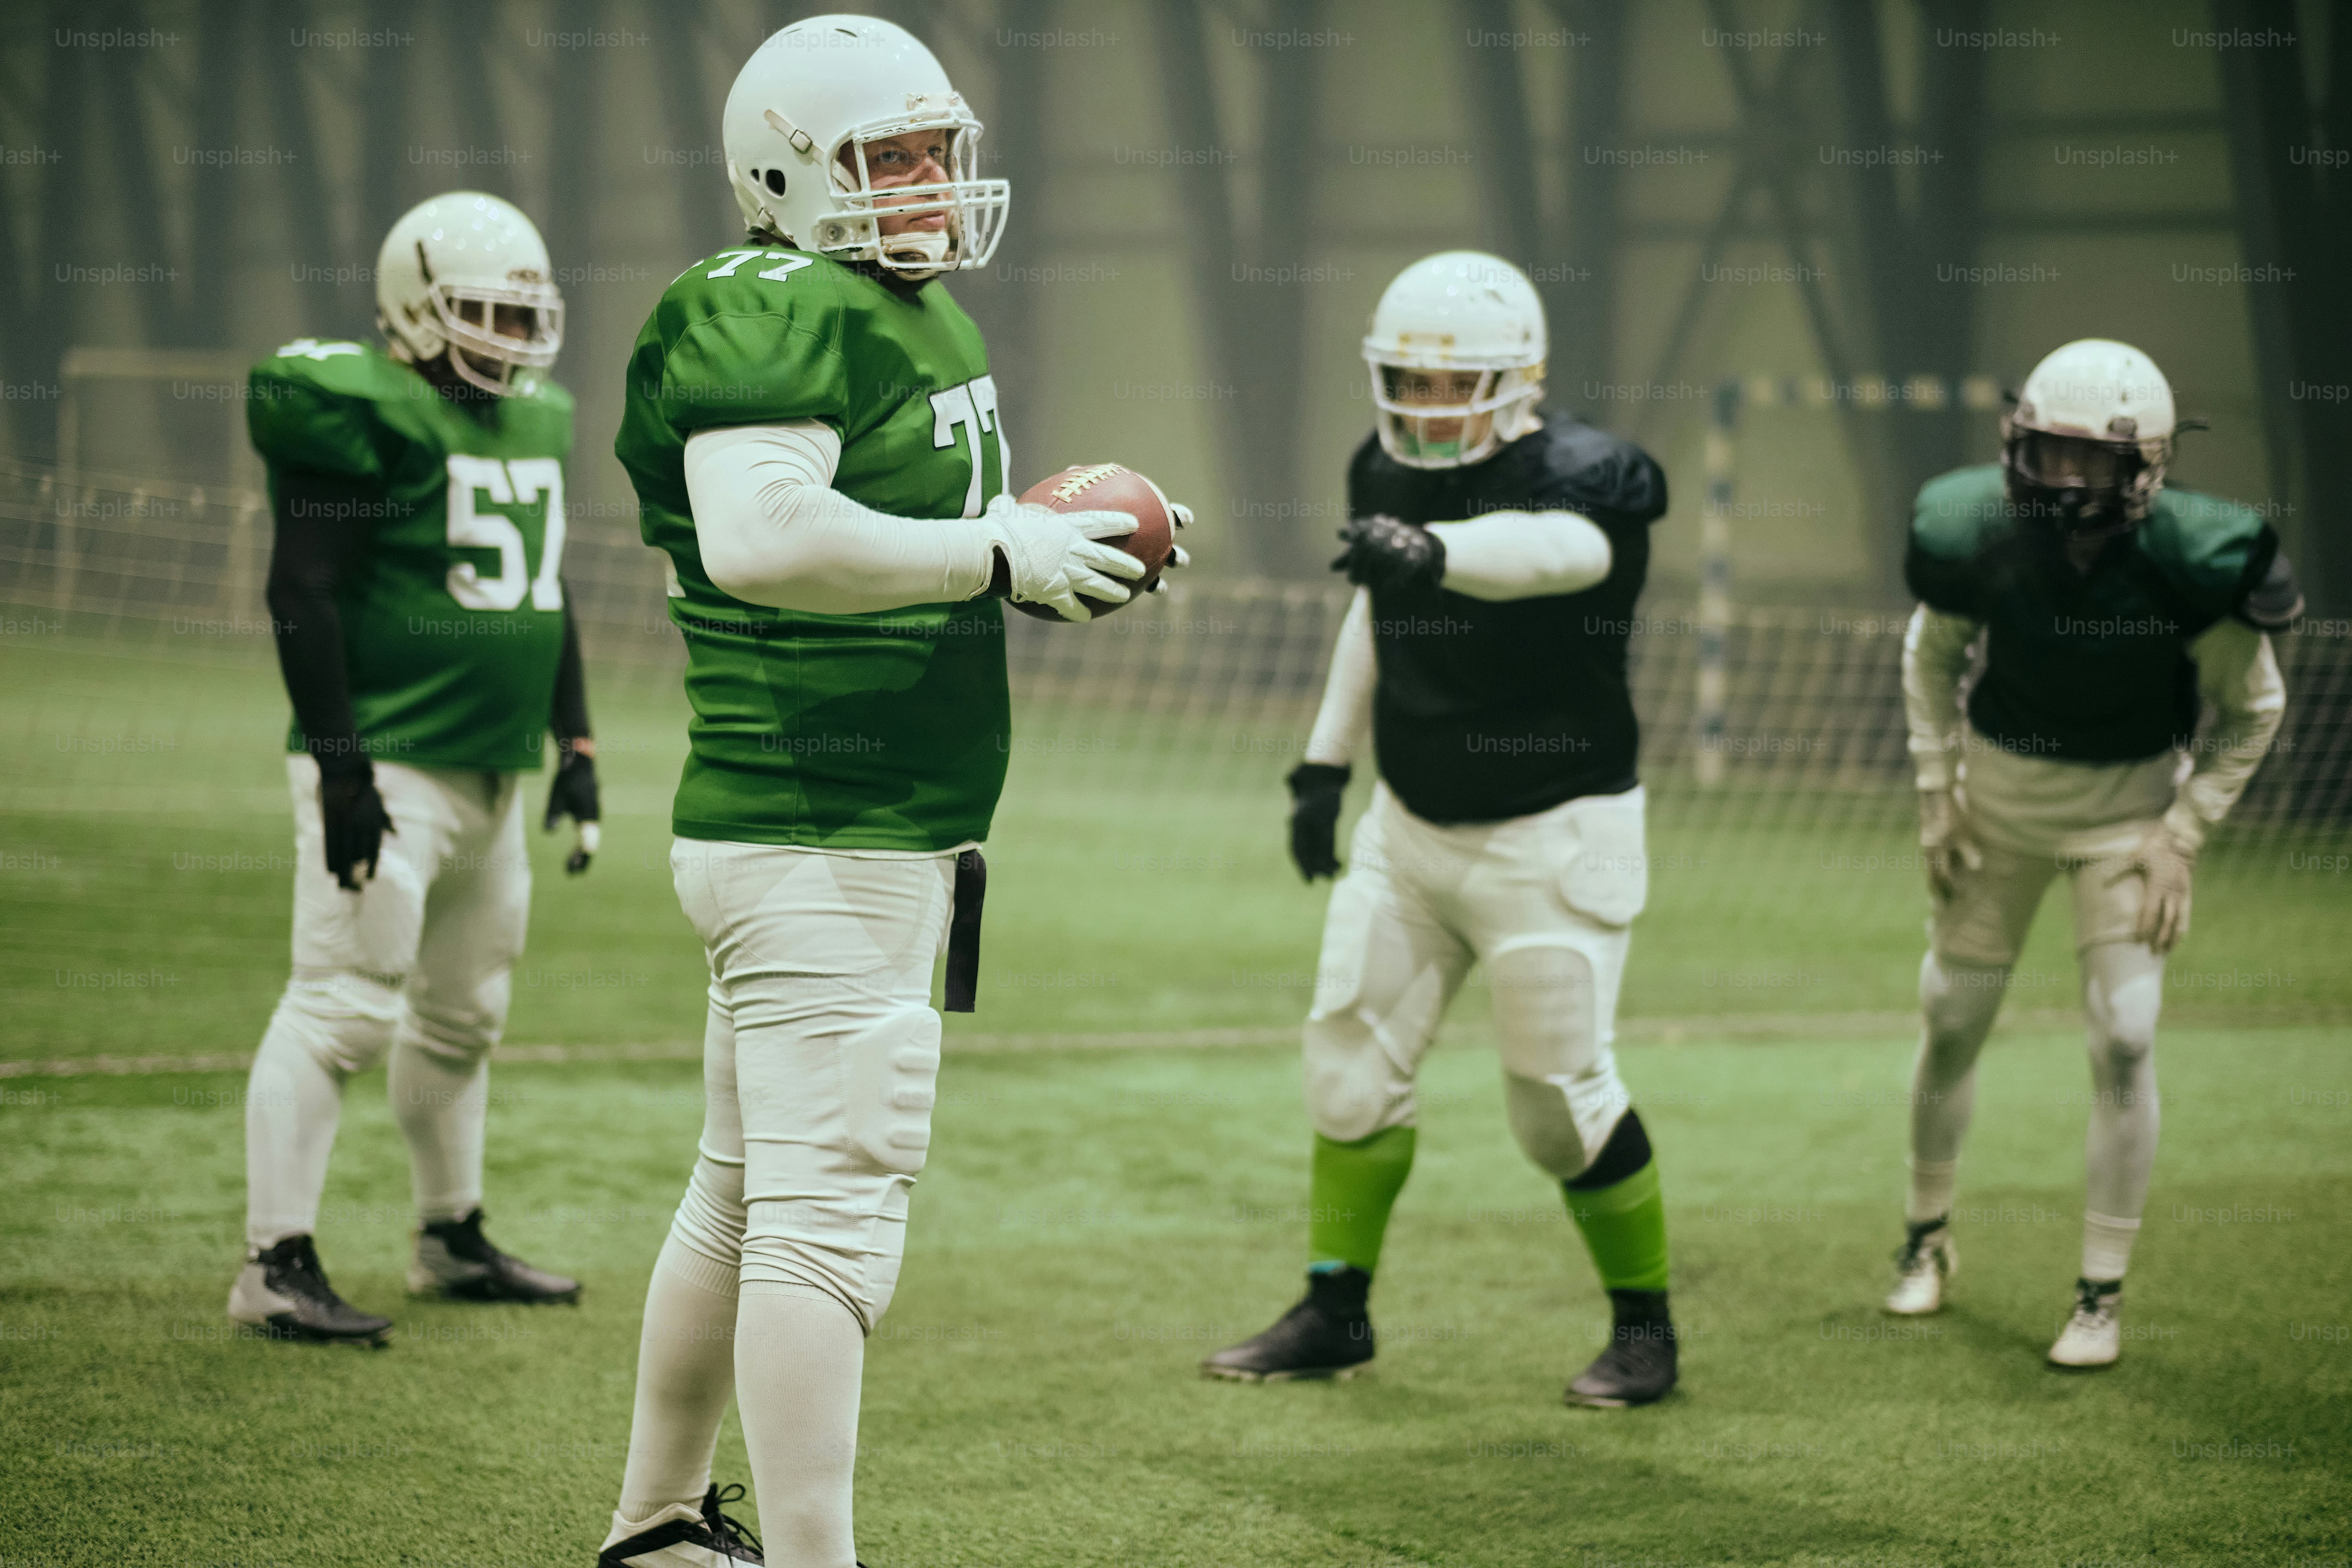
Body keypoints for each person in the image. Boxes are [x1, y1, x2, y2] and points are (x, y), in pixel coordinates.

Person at [599, 16, 1188, 1565]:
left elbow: (913, 532)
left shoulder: (905, 311)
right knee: (829, 1223)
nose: (928, 182)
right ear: (784, 173)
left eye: (938, 151)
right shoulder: (769, 303)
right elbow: (764, 536)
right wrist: (997, 548)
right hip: (817, 824)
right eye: (889, 157)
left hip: (838, 825)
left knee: (745, 1199)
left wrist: (1058, 541)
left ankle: (658, 1524)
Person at [1202, 252, 1681, 1408]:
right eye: (1408, 382)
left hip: (1555, 831)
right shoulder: (1387, 469)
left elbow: (1561, 554)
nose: (1424, 407)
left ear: (1519, 383)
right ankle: (1336, 1307)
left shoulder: (1587, 479)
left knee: (1556, 1106)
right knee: (1347, 1071)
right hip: (1410, 828)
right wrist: (1325, 762)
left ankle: (1646, 1326)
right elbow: (1381, 602)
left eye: (1450, 384)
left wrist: (1438, 551)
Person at [232, 191, 596, 1346]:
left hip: (492, 773)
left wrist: (577, 739)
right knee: (342, 1007)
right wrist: (342, 767)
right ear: (413, 308)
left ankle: (450, 1233)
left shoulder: (538, 420)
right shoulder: (362, 407)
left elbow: (542, 584)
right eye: (485, 311)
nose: (509, 336)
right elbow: (301, 588)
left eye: (523, 315)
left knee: (464, 1014)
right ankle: (274, 1261)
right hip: (388, 766)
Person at [1887, 337, 2295, 1367]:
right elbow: (1929, 656)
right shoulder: (1980, 532)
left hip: (2126, 818)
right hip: (1996, 807)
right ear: (2014, 445)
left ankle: (2099, 1293)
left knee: (2124, 1035)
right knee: (1950, 1018)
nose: (2062, 480)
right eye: (2047, 453)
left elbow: (2256, 707)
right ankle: (1925, 1237)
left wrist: (2182, 833)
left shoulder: (2188, 559)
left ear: (2145, 464)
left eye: (2090, 460)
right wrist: (1937, 793)